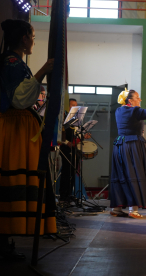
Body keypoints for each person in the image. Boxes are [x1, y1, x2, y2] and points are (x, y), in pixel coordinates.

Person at [0, 19, 56, 260]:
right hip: (15, 128)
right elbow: (20, 98)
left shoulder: (15, 62)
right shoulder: (12, 62)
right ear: (24, 38)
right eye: (32, 36)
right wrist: (43, 70)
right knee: (16, 178)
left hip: (18, 128)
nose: (33, 41)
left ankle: (5, 241)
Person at [110, 87, 146, 219]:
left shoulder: (118, 110)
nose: (140, 100)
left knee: (122, 175)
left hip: (120, 145)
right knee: (136, 173)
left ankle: (116, 208)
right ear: (130, 101)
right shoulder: (135, 111)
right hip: (133, 145)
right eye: (137, 97)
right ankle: (133, 209)